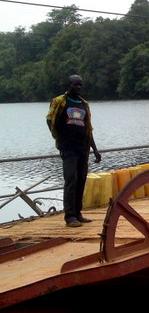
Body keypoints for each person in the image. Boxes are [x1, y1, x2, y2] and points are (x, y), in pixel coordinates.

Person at [46, 75, 101, 227]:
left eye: (80, 85)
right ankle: (69, 216)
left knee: (81, 179)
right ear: (69, 85)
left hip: (83, 147)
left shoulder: (84, 104)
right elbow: (50, 120)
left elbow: (88, 129)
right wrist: (60, 139)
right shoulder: (59, 102)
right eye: (76, 84)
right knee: (71, 179)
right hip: (68, 147)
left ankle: (78, 213)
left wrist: (94, 149)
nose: (78, 87)